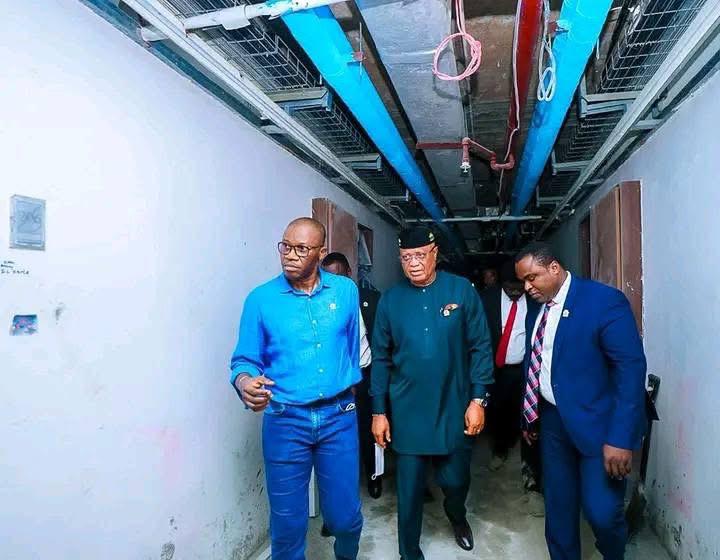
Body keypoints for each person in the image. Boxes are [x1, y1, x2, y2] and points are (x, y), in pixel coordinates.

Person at [230, 217, 363, 560]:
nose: (290, 255)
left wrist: (344, 386)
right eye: (285, 246)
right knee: (287, 526)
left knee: (345, 519)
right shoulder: (260, 300)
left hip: (339, 418)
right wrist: (245, 382)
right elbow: (244, 360)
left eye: (301, 248)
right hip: (285, 420)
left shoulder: (345, 292)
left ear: (320, 252)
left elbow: (350, 349)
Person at [515, 242, 647, 560]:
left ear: (554, 268)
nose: (527, 287)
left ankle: (613, 553)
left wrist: (620, 438)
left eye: (532, 277)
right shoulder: (536, 308)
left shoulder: (603, 302)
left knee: (602, 512)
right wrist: (530, 416)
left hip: (599, 425)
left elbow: (630, 371)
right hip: (552, 422)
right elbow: (535, 363)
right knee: (559, 507)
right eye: (523, 281)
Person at [370, 226, 494, 559]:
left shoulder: (461, 290)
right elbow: (380, 358)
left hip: (454, 406)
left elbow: (481, 347)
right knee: (408, 490)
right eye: (406, 257)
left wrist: (478, 399)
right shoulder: (391, 300)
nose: (413, 263)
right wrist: (379, 411)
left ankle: (457, 516)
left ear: (435, 253)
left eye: (420, 256)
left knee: (455, 480)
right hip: (408, 410)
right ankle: (408, 552)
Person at [480, 261, 543, 507]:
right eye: (510, 287)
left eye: (519, 287)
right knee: (497, 411)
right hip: (497, 369)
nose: (516, 292)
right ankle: (500, 448)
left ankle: (531, 473)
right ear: (502, 283)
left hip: (527, 370)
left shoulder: (535, 300)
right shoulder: (487, 300)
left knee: (529, 417)